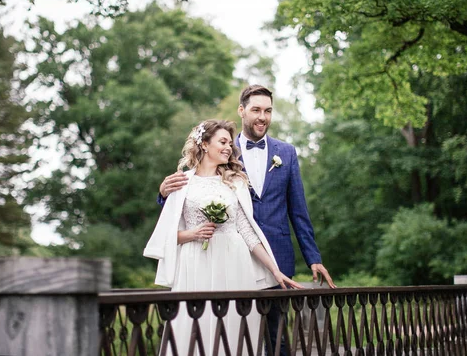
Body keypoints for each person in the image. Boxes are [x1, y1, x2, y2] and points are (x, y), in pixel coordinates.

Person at [158, 85, 336, 355]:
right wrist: (163, 194)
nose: (262, 116)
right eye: (256, 110)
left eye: (268, 111)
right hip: (215, 262)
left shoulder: (285, 153)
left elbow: (298, 211)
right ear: (242, 111)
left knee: (275, 338)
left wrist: (313, 257)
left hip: (272, 254)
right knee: (219, 333)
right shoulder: (220, 152)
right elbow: (175, 206)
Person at [144, 119, 303, 356]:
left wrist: (275, 270)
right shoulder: (182, 182)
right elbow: (165, 236)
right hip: (195, 265)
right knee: (196, 327)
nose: (229, 147)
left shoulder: (235, 182)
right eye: (223, 141)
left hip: (233, 264)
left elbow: (248, 232)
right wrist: (192, 234)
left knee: (236, 329)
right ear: (205, 144)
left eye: (230, 142)